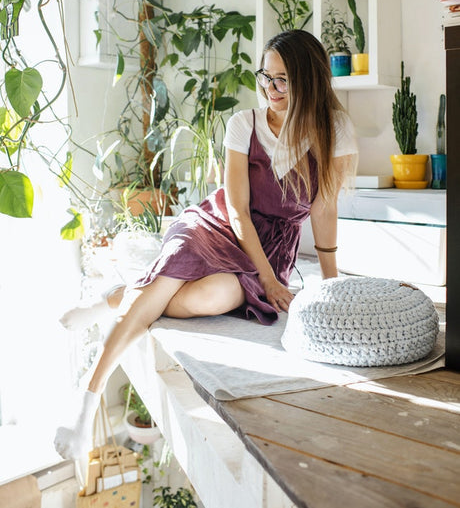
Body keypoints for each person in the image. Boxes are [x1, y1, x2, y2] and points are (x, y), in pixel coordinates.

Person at [54, 29, 358, 460]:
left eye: (282, 80)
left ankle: (121, 295)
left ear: (308, 80)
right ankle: (86, 403)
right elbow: (237, 208)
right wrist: (269, 282)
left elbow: (325, 210)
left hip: (271, 245)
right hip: (216, 225)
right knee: (168, 282)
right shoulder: (244, 125)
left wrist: (331, 284)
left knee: (213, 297)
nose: (270, 89)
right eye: (265, 77)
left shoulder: (334, 129)